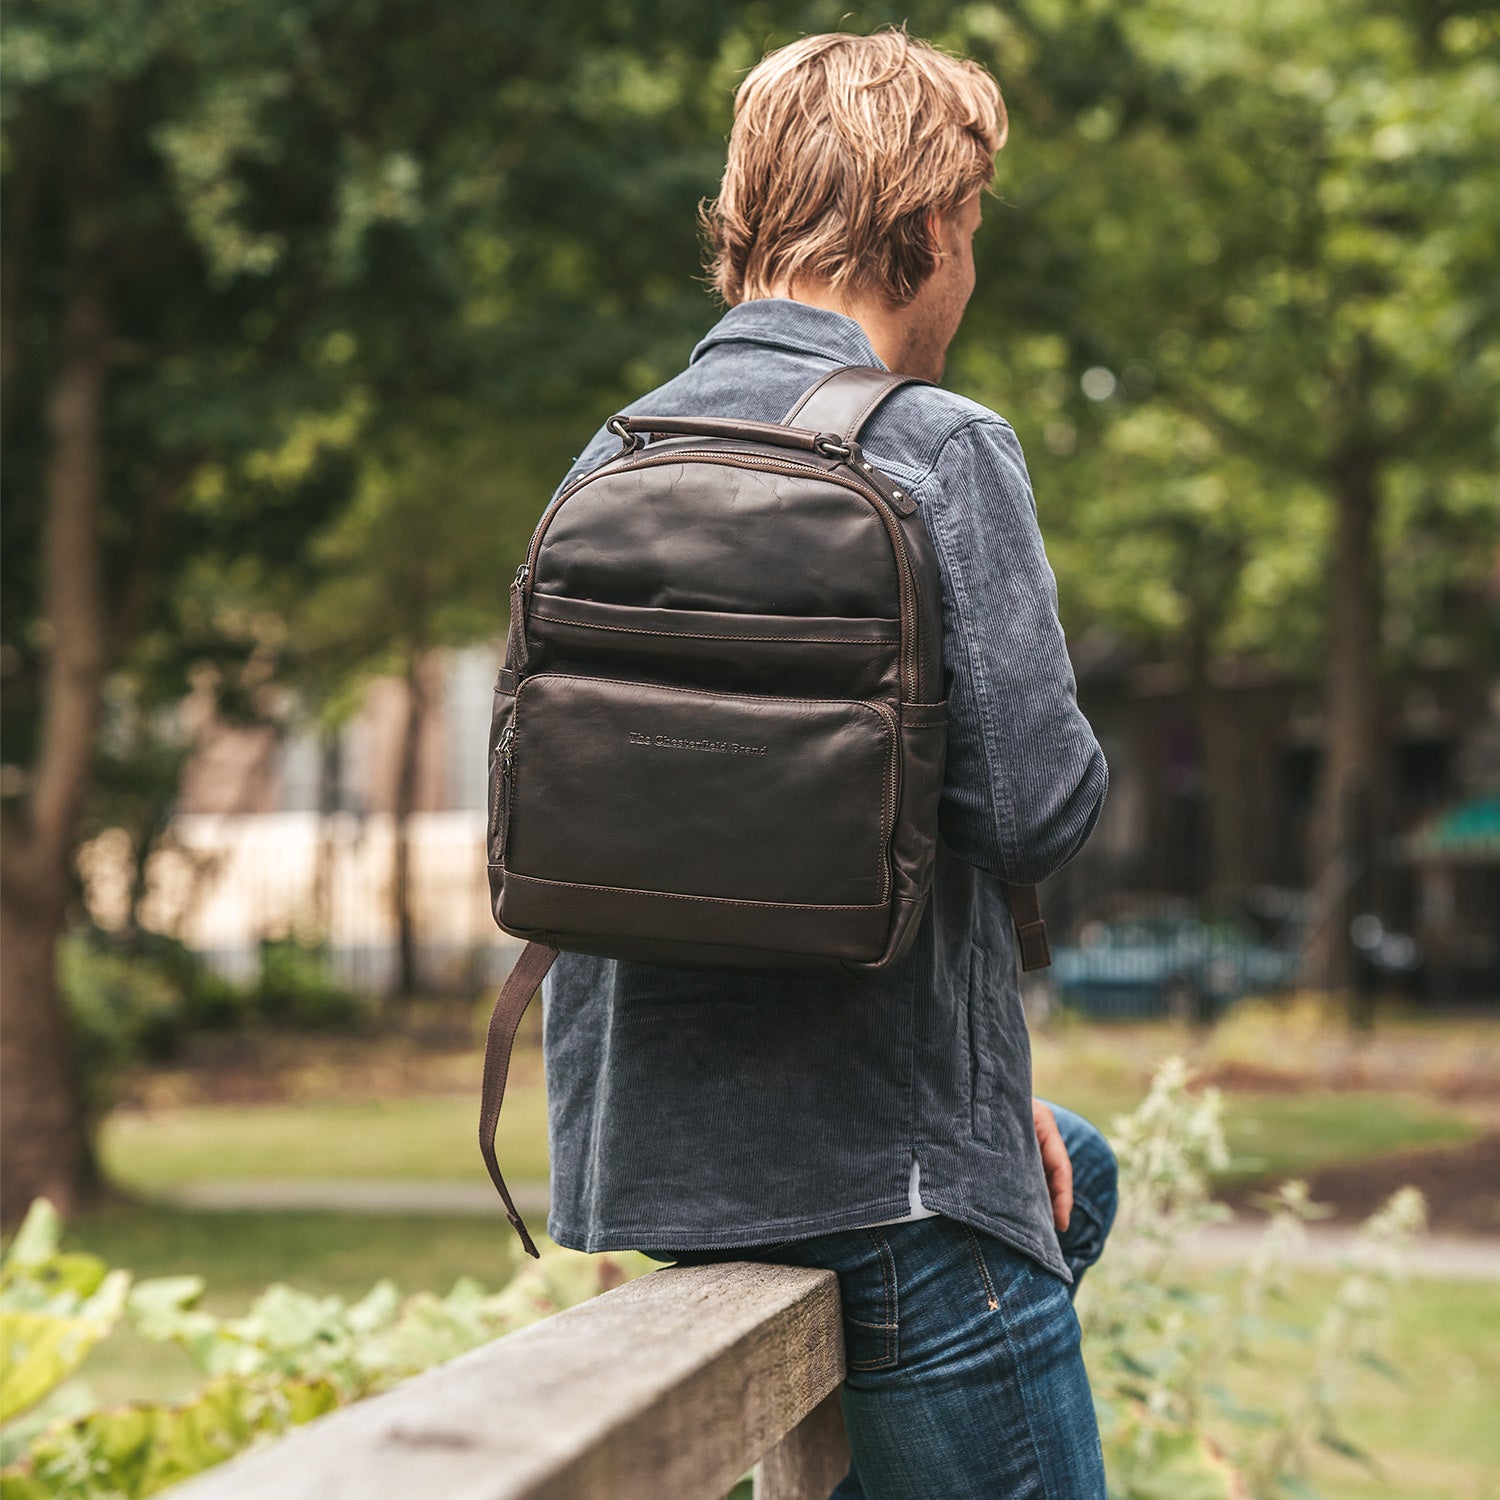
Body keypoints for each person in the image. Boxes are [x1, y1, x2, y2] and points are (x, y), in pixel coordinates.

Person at [534, 28, 1115, 1499]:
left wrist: (989, 1097)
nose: (967, 278)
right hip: (891, 1195)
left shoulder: (608, 458)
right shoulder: (938, 445)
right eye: (969, 233)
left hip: (656, 1164)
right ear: (922, 230)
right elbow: (1039, 806)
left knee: (1076, 1164)